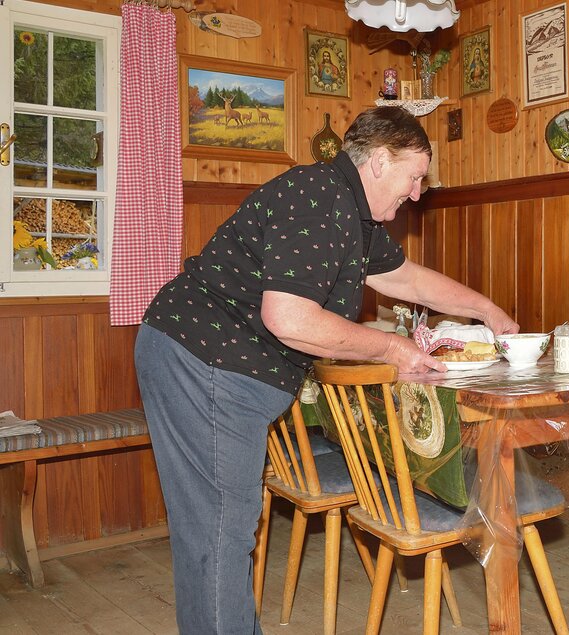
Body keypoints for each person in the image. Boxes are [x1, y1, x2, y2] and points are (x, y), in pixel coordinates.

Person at [134, 106, 518, 634]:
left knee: (218, 530)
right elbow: (288, 317)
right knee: (219, 531)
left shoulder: (351, 210)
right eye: (414, 176)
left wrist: (486, 310)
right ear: (380, 160)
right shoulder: (318, 198)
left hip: (211, 357)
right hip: (204, 358)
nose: (417, 192)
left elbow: (407, 280)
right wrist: (392, 349)